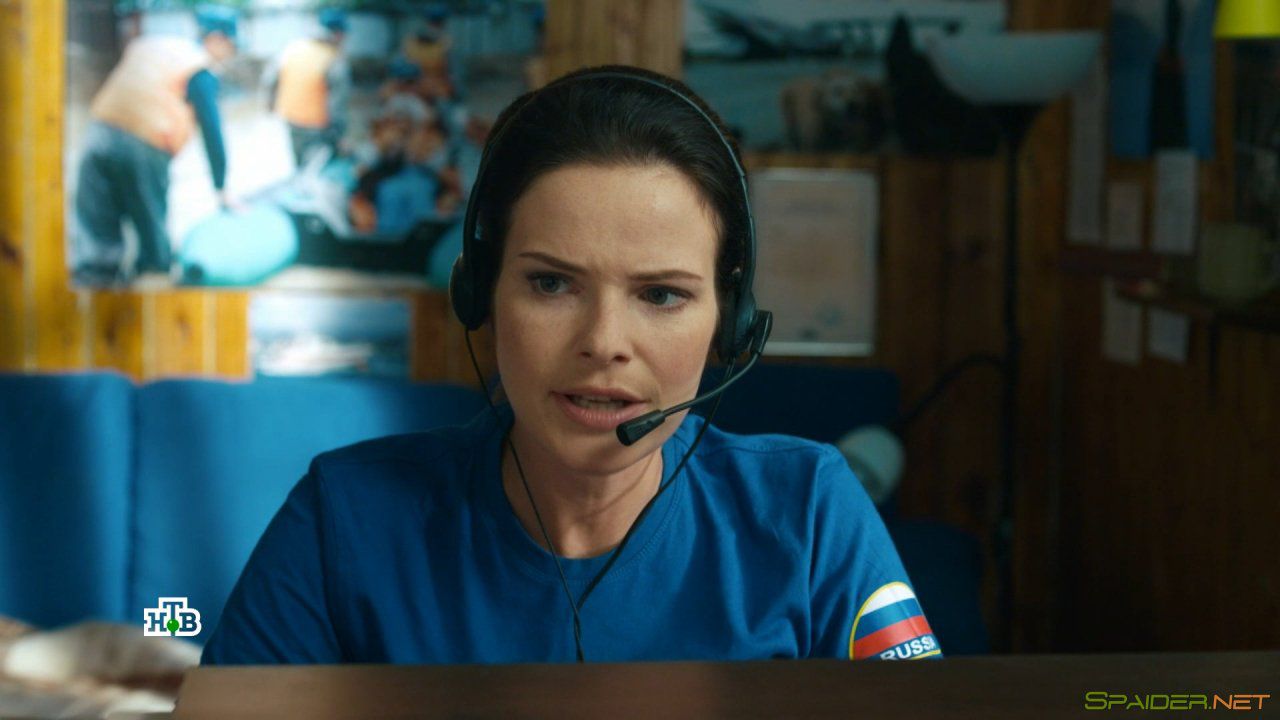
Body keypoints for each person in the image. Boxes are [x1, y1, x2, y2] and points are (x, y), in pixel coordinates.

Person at [201, 66, 940, 664]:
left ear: (731, 319)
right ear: (480, 294)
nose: (604, 341)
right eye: (552, 284)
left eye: (661, 294)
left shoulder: (808, 512)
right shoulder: (344, 518)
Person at [71, 5, 238, 287]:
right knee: (153, 243)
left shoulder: (155, 45)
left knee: (96, 243)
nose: (229, 55)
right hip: (144, 143)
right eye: (231, 46)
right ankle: (151, 289)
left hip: (98, 131)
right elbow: (212, 130)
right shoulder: (199, 67)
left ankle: (93, 295)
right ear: (217, 39)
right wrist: (221, 188)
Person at [265, 8, 352, 168]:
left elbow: (270, 80)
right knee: (318, 168)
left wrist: (270, 106)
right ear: (339, 34)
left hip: (291, 120)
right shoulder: (333, 59)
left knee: (300, 165)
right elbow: (337, 104)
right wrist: (339, 136)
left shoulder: (292, 48)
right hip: (318, 126)